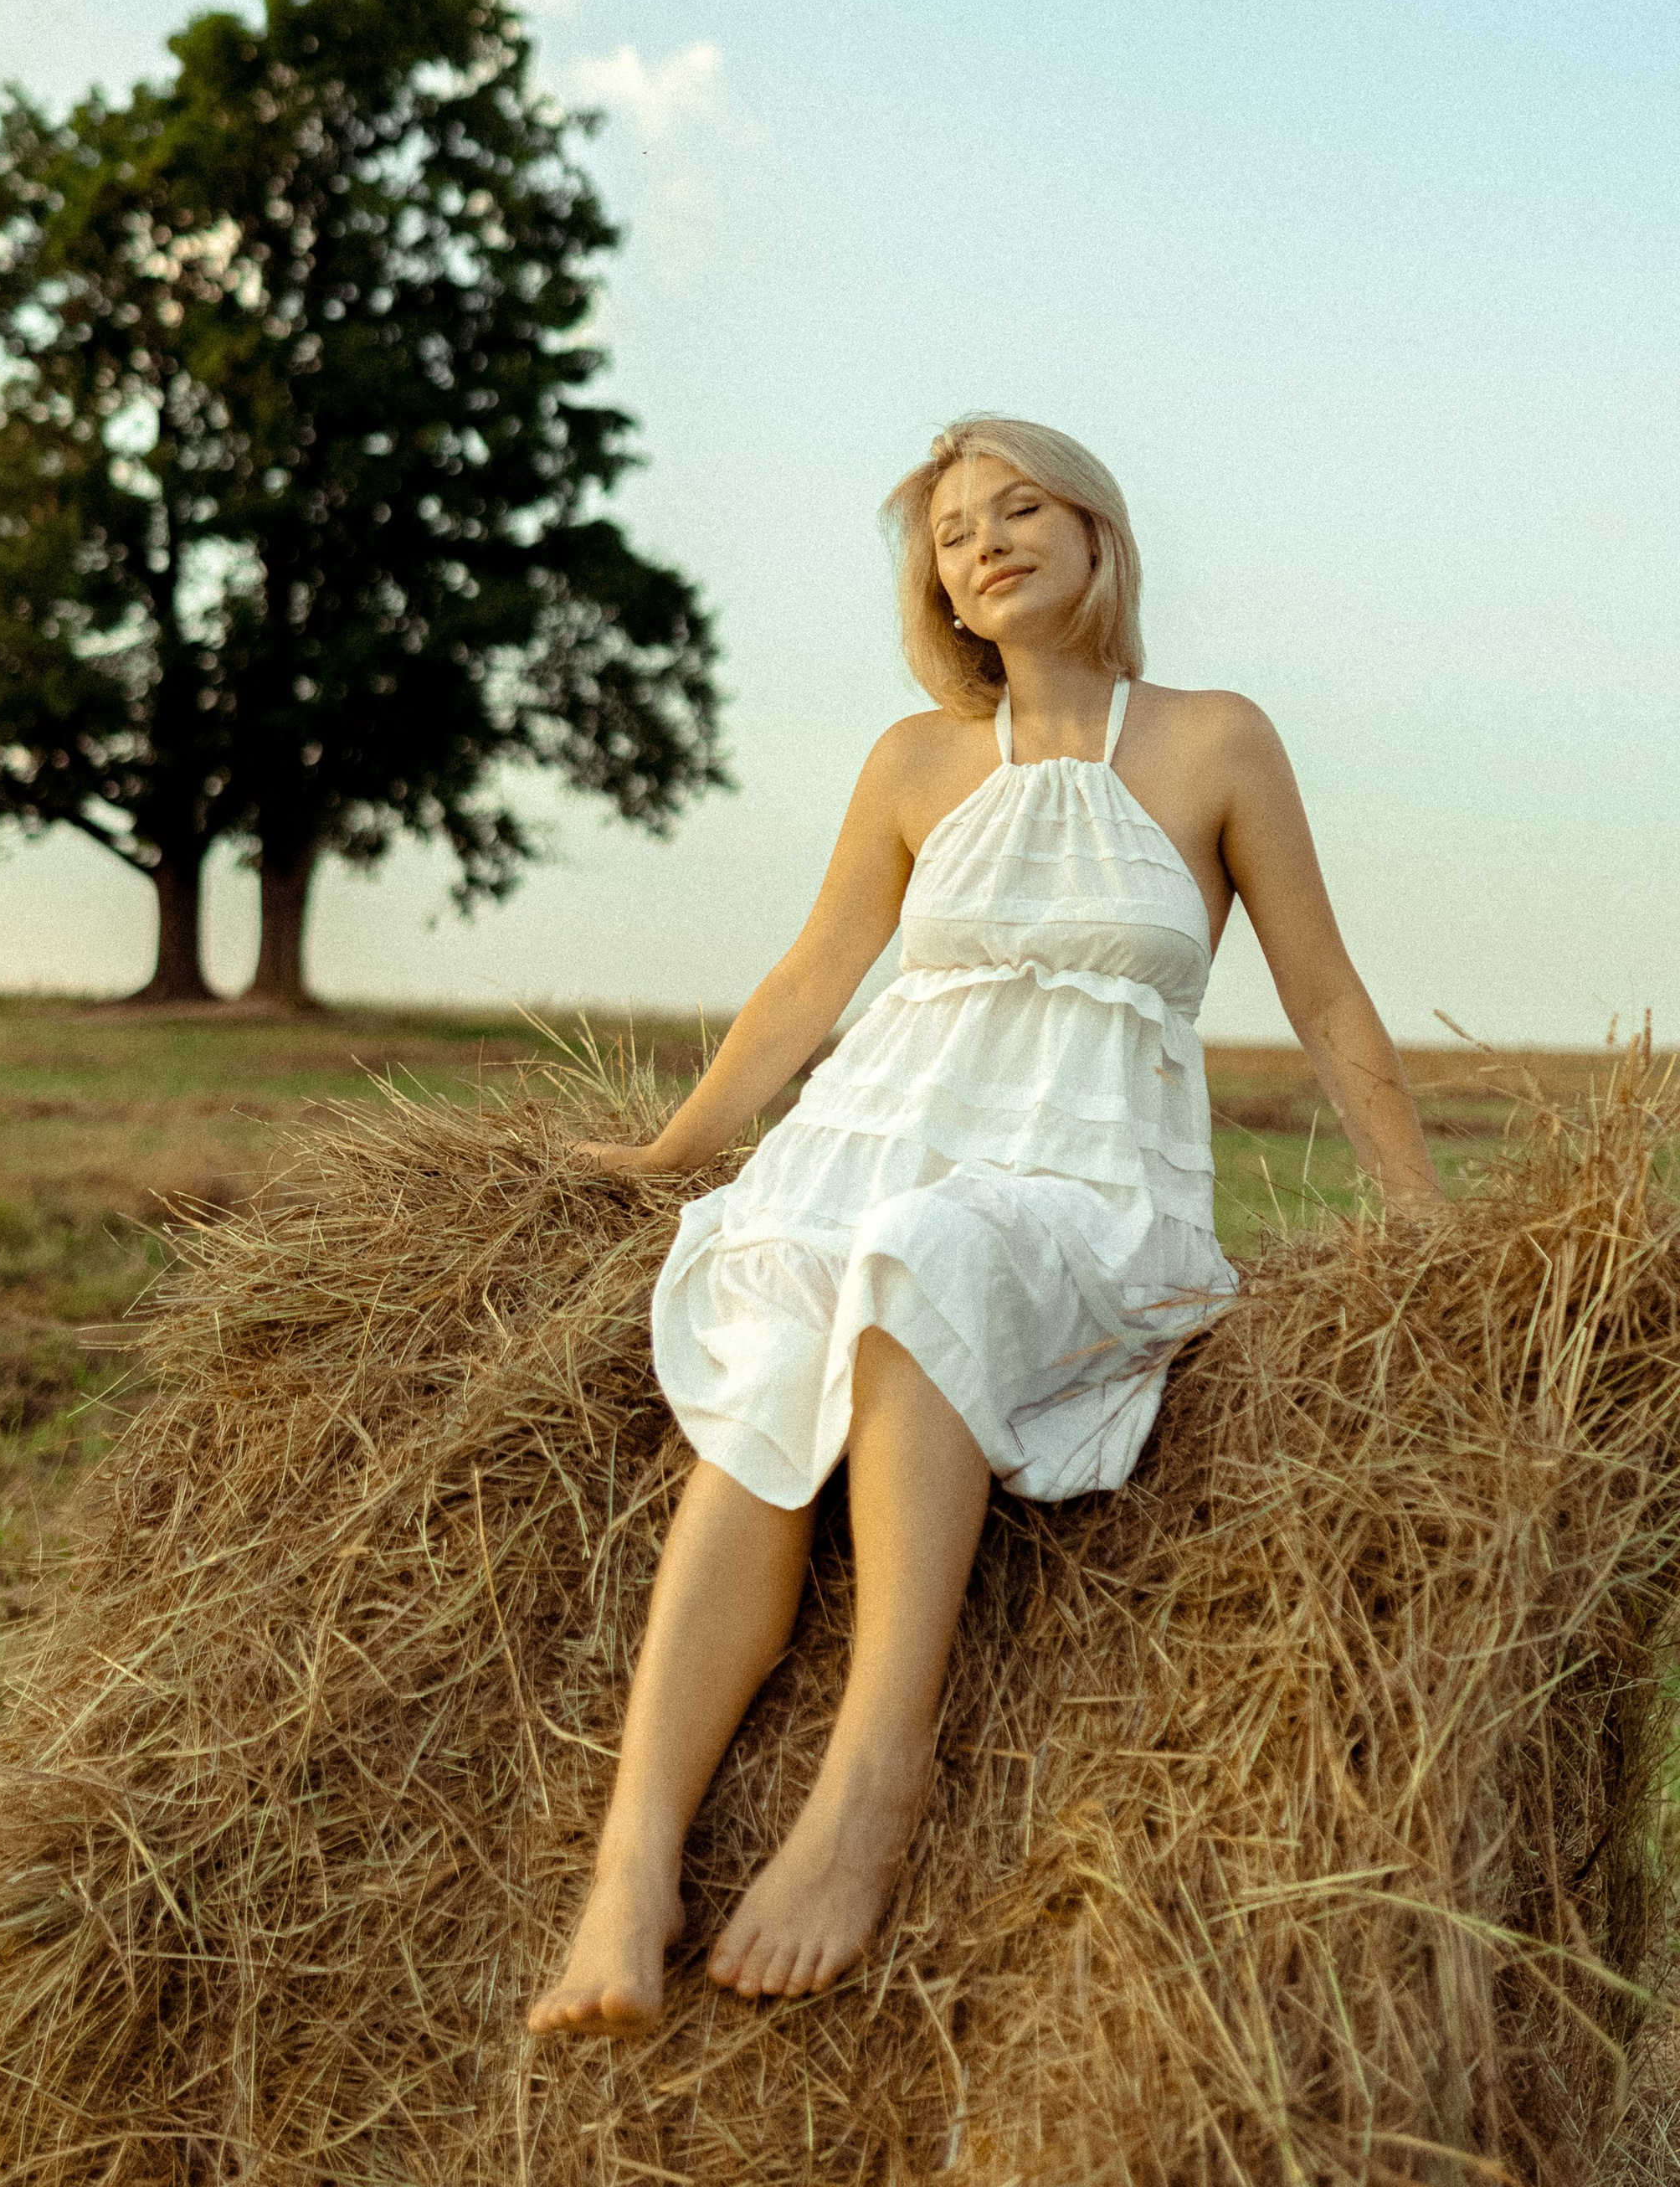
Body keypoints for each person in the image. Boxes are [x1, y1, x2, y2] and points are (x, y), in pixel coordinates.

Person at [527, 415, 1446, 2040]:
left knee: (926, 1258)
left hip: (1079, 1177)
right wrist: (667, 1152)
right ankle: (630, 1859)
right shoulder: (909, 761)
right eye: (951, 531)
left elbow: (1317, 990)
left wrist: (1428, 1227)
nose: (983, 542)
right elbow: (813, 979)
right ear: (935, 586)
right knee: (778, 1329)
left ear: (1097, 535)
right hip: (874, 1131)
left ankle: (872, 1782)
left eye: (1018, 507)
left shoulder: (1213, 739)